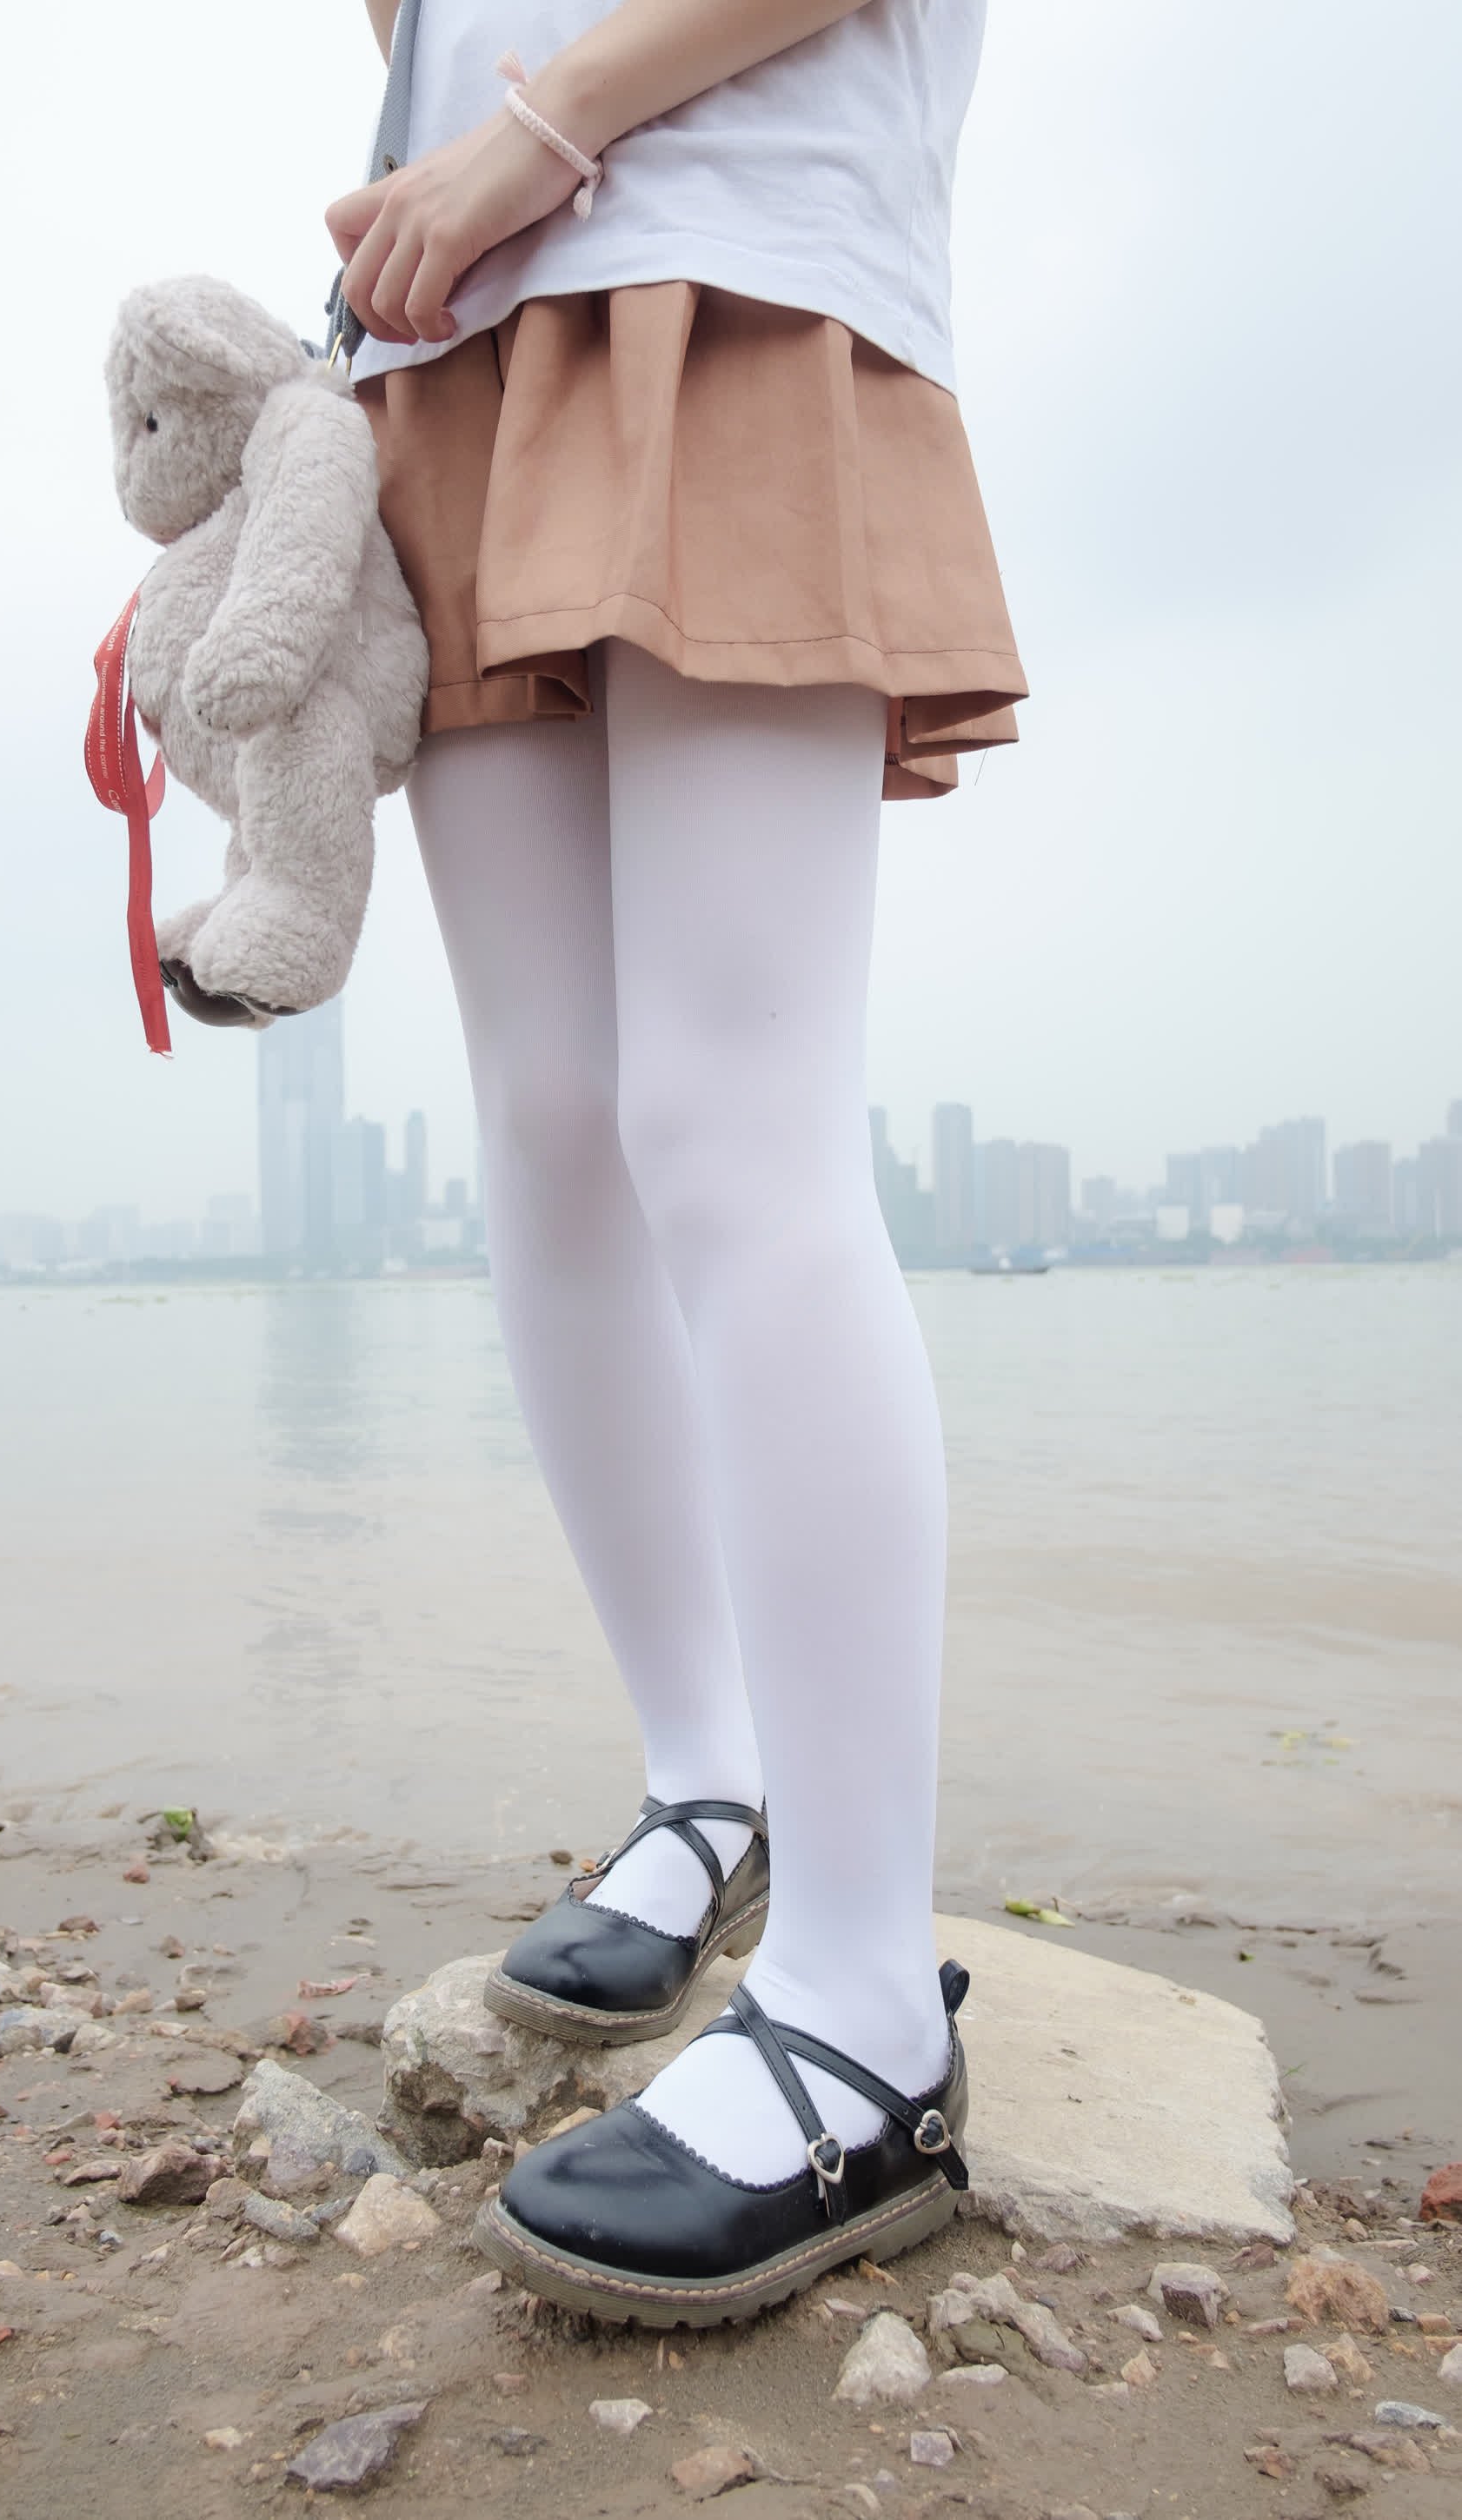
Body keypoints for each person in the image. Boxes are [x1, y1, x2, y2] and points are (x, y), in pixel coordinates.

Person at [327, 0, 1026, 2324]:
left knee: (731, 1116)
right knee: (550, 1115)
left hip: (730, 239)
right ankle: (707, 1778)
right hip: (449, 343)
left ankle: (862, 1999)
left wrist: (541, 131)